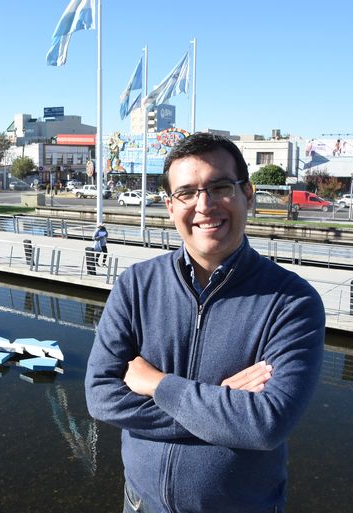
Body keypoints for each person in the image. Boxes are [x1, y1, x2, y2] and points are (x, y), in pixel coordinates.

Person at [85, 132, 325, 513]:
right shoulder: (135, 285)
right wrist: (223, 409)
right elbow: (100, 397)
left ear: (248, 194)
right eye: (187, 193)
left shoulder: (292, 302)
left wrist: (158, 384)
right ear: (169, 206)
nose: (205, 205)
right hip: (141, 504)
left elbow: (266, 425)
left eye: (220, 187)